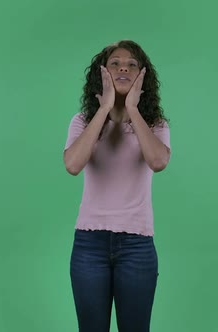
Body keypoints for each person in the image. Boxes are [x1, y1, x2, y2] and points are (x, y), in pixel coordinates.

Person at [63, 40, 171, 332]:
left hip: (137, 246)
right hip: (89, 245)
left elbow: (158, 161)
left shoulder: (155, 125)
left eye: (132, 64)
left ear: (141, 75)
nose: (124, 66)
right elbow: (72, 165)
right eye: (115, 63)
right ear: (102, 73)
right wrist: (106, 108)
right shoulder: (83, 121)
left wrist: (133, 110)